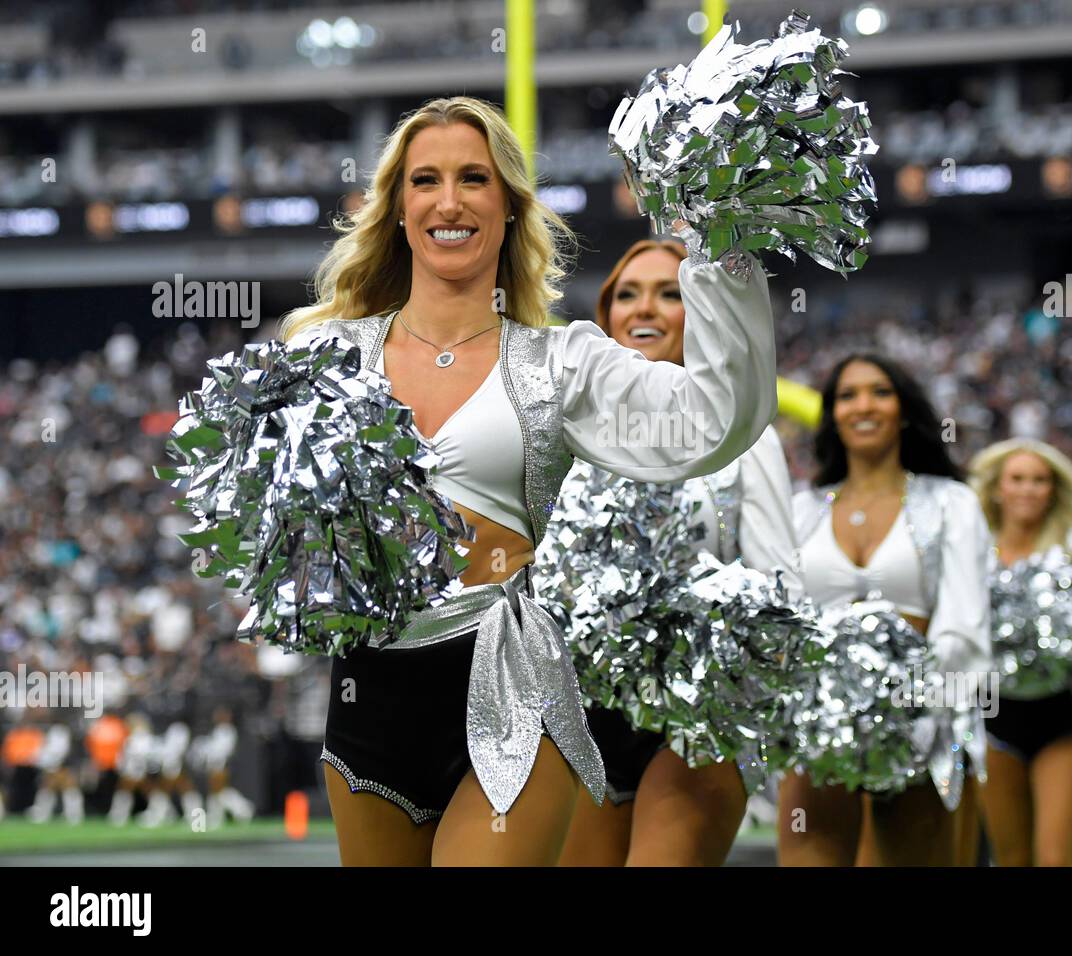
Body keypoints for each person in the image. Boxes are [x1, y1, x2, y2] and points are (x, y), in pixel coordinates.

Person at [277, 96, 776, 866]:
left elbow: (713, 422)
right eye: (426, 181)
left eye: (474, 178)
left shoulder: (562, 361)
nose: (450, 201)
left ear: (508, 207)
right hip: (368, 698)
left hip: (510, 685)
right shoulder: (326, 357)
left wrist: (721, 245)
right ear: (398, 208)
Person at [550, 238, 799, 866]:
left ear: (701, 309)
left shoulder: (744, 435)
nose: (646, 309)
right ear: (603, 317)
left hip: (700, 721)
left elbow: (779, 587)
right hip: (582, 720)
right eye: (627, 294)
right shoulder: (561, 432)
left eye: (670, 292)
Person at [779, 353, 992, 866]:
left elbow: (963, 623)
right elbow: (781, 615)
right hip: (818, 722)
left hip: (920, 721)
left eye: (879, 391)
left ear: (903, 410)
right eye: (847, 396)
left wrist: (919, 709)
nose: (862, 406)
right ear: (831, 416)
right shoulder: (801, 509)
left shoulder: (951, 502)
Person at [969, 437, 1072, 866]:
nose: (1028, 489)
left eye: (1039, 480)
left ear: (1054, 489)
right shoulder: (971, 547)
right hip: (991, 716)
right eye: (1018, 479)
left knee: (1055, 855)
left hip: (1063, 716)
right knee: (1010, 857)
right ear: (996, 488)